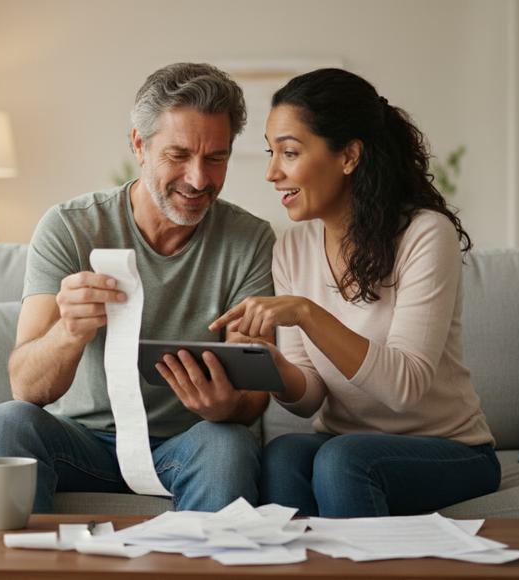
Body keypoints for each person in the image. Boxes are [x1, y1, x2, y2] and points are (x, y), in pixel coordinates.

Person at [0, 63, 275, 512]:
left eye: (216, 158)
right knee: (5, 423)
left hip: (186, 443)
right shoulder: (69, 228)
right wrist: (69, 331)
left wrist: (227, 407)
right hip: (80, 442)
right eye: (178, 155)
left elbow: (252, 399)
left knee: (227, 444)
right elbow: (27, 388)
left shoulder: (249, 241)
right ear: (139, 144)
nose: (198, 179)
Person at [210, 68, 500, 517]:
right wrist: (265, 362)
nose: (272, 173)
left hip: (448, 450)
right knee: (284, 455)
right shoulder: (292, 249)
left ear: (348, 156)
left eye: (289, 152)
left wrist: (306, 313)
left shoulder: (425, 235)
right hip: (343, 442)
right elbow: (308, 398)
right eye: (272, 153)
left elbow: (405, 387)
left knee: (342, 461)